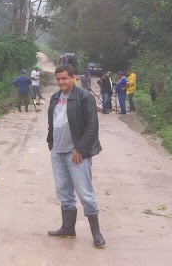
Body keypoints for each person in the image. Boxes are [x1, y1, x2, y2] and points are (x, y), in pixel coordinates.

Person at [46, 64, 105, 248]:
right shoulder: (55, 97)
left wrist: (81, 149)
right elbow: (52, 123)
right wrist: (51, 144)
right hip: (57, 152)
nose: (61, 82)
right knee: (63, 192)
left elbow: (92, 126)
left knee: (85, 193)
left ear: (73, 77)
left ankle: (96, 233)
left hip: (76, 154)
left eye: (64, 78)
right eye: (58, 79)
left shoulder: (84, 97)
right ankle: (68, 228)